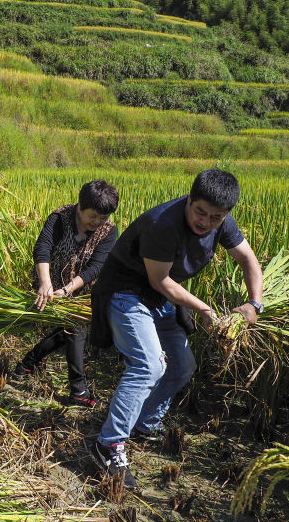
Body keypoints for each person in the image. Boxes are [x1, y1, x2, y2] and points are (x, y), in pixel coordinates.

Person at [89, 169, 264, 490]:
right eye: (200, 212)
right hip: (126, 290)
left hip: (159, 296)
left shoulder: (222, 223)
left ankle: (144, 425)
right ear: (189, 199)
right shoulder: (163, 225)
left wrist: (254, 304)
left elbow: (249, 260)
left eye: (215, 217)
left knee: (183, 366)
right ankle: (109, 443)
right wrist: (205, 309)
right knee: (148, 365)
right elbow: (161, 280)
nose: (206, 222)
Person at [13, 180, 119, 407]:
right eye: (93, 216)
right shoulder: (60, 217)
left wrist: (69, 288)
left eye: (103, 218)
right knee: (74, 330)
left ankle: (27, 363)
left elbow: (97, 265)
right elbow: (43, 247)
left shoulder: (108, 232)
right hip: (49, 282)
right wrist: (45, 283)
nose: (97, 222)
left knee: (69, 330)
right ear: (80, 206)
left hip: (80, 287)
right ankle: (78, 389)